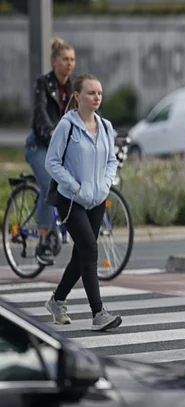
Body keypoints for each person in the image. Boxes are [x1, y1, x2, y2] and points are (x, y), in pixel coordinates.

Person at [44, 74, 122, 331]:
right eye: (91, 93)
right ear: (77, 97)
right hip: (71, 200)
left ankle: (57, 301)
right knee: (89, 249)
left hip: (97, 199)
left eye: (99, 93)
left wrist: (105, 184)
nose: (96, 97)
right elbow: (51, 163)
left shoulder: (106, 126)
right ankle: (98, 313)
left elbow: (112, 160)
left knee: (81, 255)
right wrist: (74, 187)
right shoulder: (67, 126)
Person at [25, 37, 75, 266]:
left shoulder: (74, 88)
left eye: (72, 59)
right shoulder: (43, 84)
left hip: (61, 147)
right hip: (40, 146)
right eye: (65, 59)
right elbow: (40, 112)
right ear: (54, 62)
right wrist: (51, 131)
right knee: (49, 184)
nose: (69, 63)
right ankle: (43, 240)